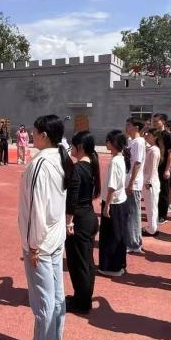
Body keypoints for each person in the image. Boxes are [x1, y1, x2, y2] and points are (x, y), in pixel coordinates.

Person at [16, 114, 74, 340]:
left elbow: (36, 209)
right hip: (54, 237)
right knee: (57, 297)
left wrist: (32, 246)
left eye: (35, 131)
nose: (31, 133)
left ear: (44, 136)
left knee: (43, 301)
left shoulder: (40, 163)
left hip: (41, 242)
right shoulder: (61, 158)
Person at [65, 131, 101, 315]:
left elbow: (72, 197)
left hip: (79, 220)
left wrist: (68, 222)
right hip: (88, 216)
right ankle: (82, 298)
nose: (71, 148)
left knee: (79, 264)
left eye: (72, 146)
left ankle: (82, 302)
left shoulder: (78, 168)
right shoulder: (91, 165)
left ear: (79, 147)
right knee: (86, 263)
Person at [98, 130, 131, 277]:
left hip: (114, 203)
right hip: (119, 201)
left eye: (108, 141)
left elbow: (112, 186)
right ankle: (116, 265)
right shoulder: (120, 158)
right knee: (117, 234)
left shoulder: (116, 161)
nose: (106, 143)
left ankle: (111, 267)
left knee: (111, 236)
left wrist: (107, 206)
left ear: (114, 143)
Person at [125, 118, 147, 254]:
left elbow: (137, 163)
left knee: (133, 213)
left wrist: (131, 183)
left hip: (134, 184)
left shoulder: (139, 142)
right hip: (128, 182)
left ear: (136, 127)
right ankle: (132, 240)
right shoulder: (131, 141)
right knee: (129, 213)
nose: (126, 127)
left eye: (129, 125)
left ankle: (134, 244)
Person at [150, 113, 171, 223]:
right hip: (155, 167)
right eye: (153, 121)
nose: (154, 123)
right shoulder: (154, 134)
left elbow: (170, 154)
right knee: (155, 191)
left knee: (163, 192)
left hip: (163, 167)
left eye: (157, 121)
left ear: (163, 122)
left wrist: (167, 169)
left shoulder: (168, 136)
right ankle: (156, 213)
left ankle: (163, 216)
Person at [142, 128, 162, 237]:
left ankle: (152, 229)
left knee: (151, 206)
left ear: (155, 137)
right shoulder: (151, 148)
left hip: (151, 182)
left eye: (149, 135)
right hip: (148, 180)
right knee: (150, 206)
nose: (146, 136)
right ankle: (153, 227)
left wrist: (148, 182)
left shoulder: (154, 150)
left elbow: (153, 168)